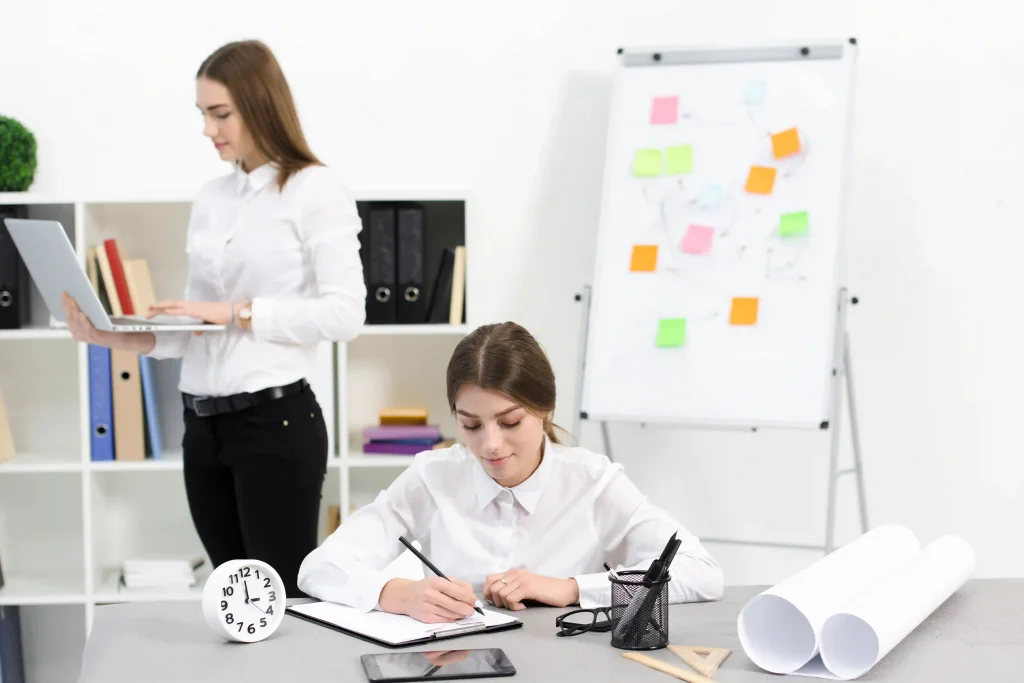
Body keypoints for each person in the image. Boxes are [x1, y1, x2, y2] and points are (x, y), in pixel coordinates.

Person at [61, 40, 366, 597]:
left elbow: (346, 313)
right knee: (233, 605)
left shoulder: (315, 190)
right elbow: (195, 330)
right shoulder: (211, 199)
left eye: (220, 113)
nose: (208, 129)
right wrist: (111, 335)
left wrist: (236, 312)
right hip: (202, 429)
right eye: (203, 114)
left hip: (274, 425)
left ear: (260, 105)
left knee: (283, 605)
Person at [297, 322, 723, 621]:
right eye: (470, 425)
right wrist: (395, 593)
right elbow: (319, 568)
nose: (490, 444)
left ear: (544, 409)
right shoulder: (432, 476)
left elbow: (701, 573)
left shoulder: (593, 482)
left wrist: (572, 589)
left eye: (510, 421)